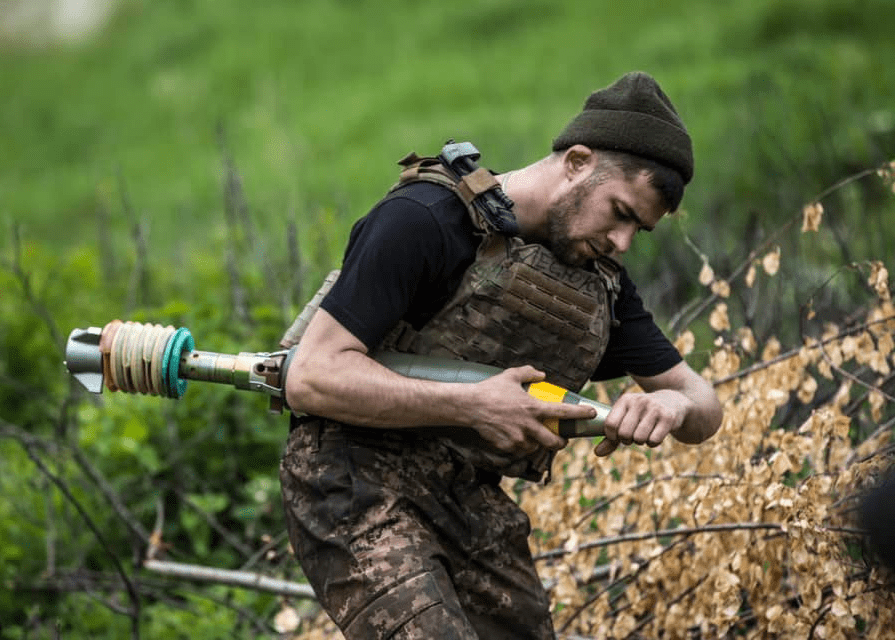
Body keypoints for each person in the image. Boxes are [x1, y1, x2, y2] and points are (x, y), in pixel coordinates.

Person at [279, 71, 724, 639]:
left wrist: (671, 407)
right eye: (619, 212)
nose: (622, 242)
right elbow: (312, 376)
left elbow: (703, 402)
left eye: (640, 229)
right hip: (351, 476)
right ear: (578, 161)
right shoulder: (425, 219)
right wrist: (472, 404)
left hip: (466, 495)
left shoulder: (597, 279)